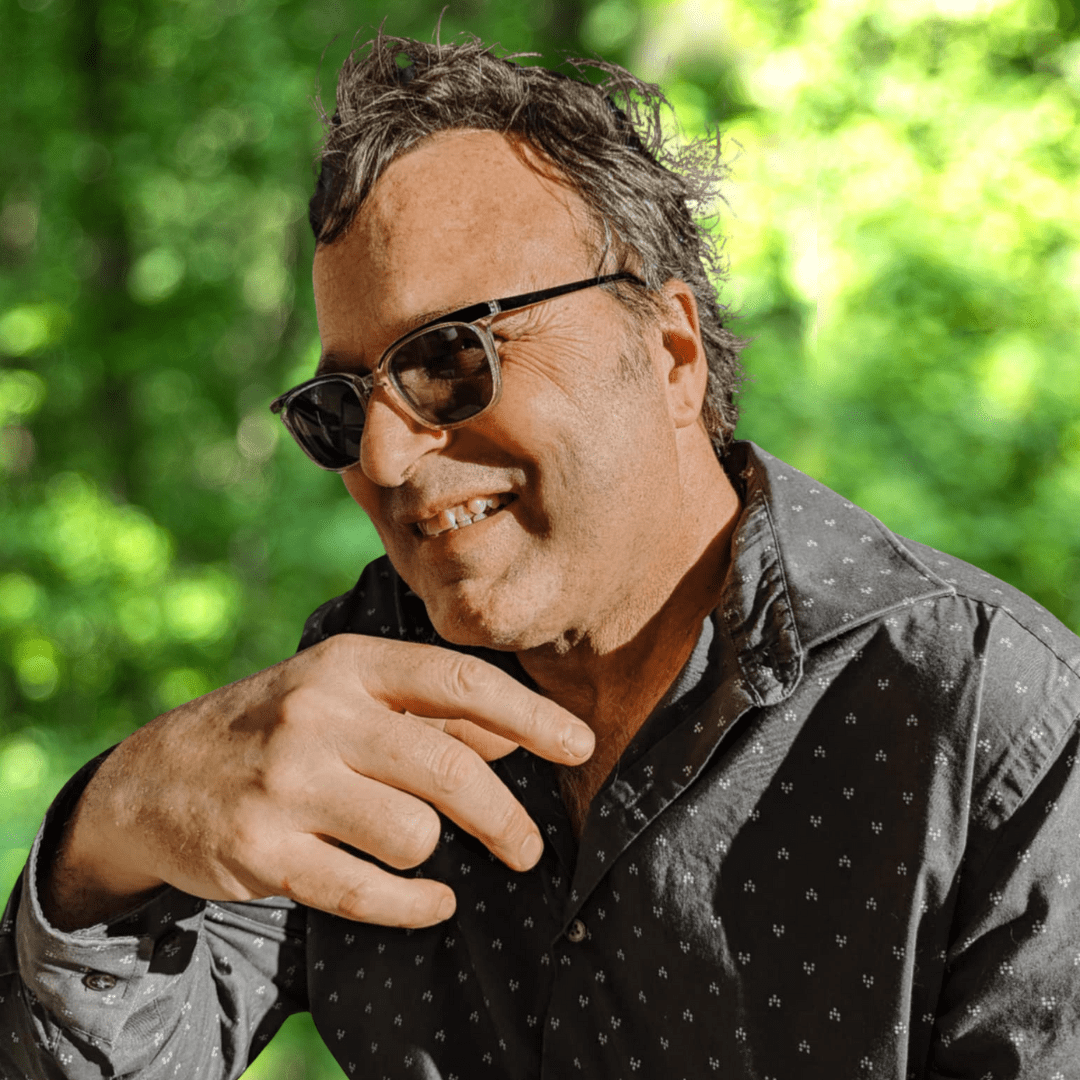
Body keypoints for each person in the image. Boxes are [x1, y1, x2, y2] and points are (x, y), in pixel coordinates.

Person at [3, 30, 1080, 1080]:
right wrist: (115, 820)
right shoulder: (367, 675)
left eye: (448, 358)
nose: (380, 454)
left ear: (670, 355)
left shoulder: (994, 723)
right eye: (341, 407)